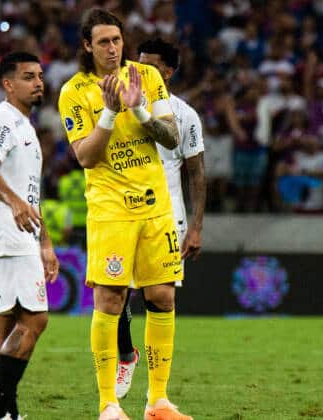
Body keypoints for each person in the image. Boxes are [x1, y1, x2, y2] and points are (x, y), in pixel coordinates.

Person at [57, 9, 192, 420]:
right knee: (111, 300)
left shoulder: (146, 78)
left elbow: (172, 138)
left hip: (155, 206)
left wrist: (140, 111)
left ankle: (158, 401)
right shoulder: (74, 92)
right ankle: (109, 405)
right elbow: (85, 156)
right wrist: (112, 112)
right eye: (103, 42)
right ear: (87, 46)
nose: (112, 48)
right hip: (111, 210)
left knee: (163, 296)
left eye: (116, 40)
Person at [113, 37, 206, 400]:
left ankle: (158, 391)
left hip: (167, 217)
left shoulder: (184, 115)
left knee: (158, 299)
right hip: (123, 211)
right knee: (116, 293)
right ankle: (125, 354)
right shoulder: (117, 104)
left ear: (168, 72)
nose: (136, 71)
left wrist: (196, 226)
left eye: (147, 66)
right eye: (135, 64)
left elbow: (197, 173)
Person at [0, 51, 59, 420]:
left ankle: (7, 414)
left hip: (19, 236)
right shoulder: (2, 119)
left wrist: (45, 241)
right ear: (8, 84)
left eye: (39, 75)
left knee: (7, 326)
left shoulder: (25, 125)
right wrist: (13, 203)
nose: (38, 82)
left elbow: (29, 193)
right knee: (36, 320)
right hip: (5, 236)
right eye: (28, 76)